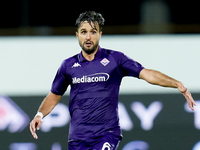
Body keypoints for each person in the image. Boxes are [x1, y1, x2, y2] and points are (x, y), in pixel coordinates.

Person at [30, 11, 196, 150]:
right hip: (77, 138)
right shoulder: (68, 65)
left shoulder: (115, 59)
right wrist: (39, 114)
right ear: (77, 35)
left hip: (106, 134)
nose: (88, 37)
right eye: (84, 32)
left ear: (100, 34)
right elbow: (55, 94)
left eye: (93, 32)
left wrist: (177, 84)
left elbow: (147, 74)